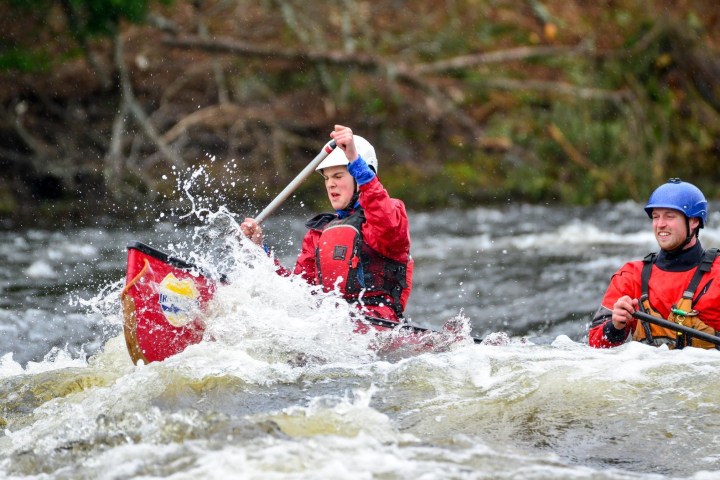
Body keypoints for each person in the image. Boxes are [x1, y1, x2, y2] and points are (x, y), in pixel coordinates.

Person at [240, 125, 413, 327]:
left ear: (360, 175)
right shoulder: (319, 232)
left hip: (376, 327)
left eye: (339, 176)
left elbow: (384, 218)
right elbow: (297, 292)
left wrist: (355, 161)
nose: (330, 184)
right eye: (327, 178)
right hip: (331, 326)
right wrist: (260, 250)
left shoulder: (388, 217)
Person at [588, 178, 720, 349]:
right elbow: (595, 344)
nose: (660, 224)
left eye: (670, 216)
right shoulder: (631, 276)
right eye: (656, 217)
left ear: (694, 221)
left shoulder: (717, 274)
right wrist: (615, 327)